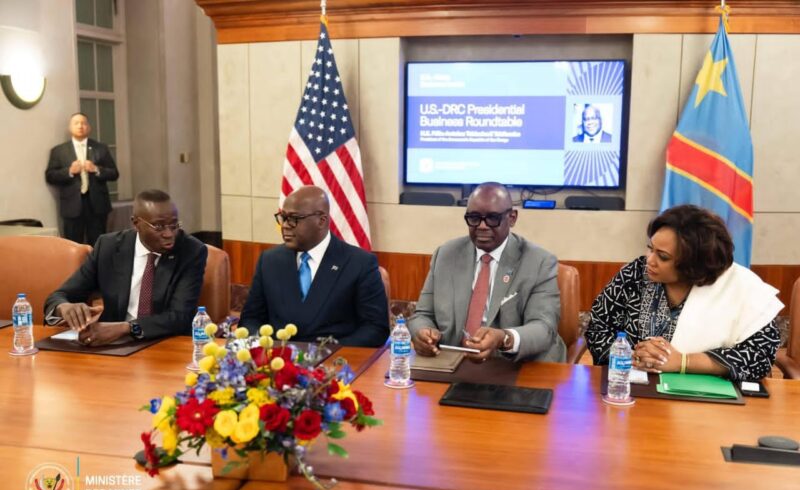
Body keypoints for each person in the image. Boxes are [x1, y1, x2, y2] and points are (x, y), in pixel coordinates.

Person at [586, 205, 782, 381]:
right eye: (650, 249)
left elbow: (760, 356)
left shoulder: (740, 286)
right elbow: (598, 329)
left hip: (713, 403)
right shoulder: (635, 274)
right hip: (635, 387)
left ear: (693, 265)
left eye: (663, 257)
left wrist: (683, 362)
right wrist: (636, 357)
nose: (650, 260)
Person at [408, 182, 566, 363]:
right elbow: (422, 315)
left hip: (516, 366)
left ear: (512, 217)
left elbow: (544, 328)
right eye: (474, 218)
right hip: (454, 362)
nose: (482, 226)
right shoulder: (445, 255)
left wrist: (504, 338)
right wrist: (422, 333)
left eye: (492, 218)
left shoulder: (539, 261)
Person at [44, 189, 208, 346]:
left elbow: (180, 317)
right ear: (136, 223)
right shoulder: (108, 247)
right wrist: (63, 308)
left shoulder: (191, 251)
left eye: (174, 225)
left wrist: (127, 328)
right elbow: (60, 295)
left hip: (166, 343)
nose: (169, 234)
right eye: (159, 227)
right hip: (112, 344)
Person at [239, 185, 389, 347]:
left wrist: (324, 353)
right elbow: (250, 320)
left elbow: (375, 329)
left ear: (321, 221)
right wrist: (266, 347)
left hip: (335, 362)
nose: (285, 225)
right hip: (278, 361)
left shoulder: (359, 263)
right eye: (283, 217)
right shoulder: (269, 261)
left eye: (294, 218)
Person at [45, 112, 120, 245]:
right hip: (72, 206)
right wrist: (69, 171)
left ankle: (97, 266)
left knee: (98, 244)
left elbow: (114, 174)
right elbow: (50, 176)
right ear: (70, 127)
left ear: (89, 127)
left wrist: (96, 169)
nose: (80, 126)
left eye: (83, 123)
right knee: (72, 245)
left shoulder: (100, 148)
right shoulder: (59, 151)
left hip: (97, 205)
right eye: (76, 123)